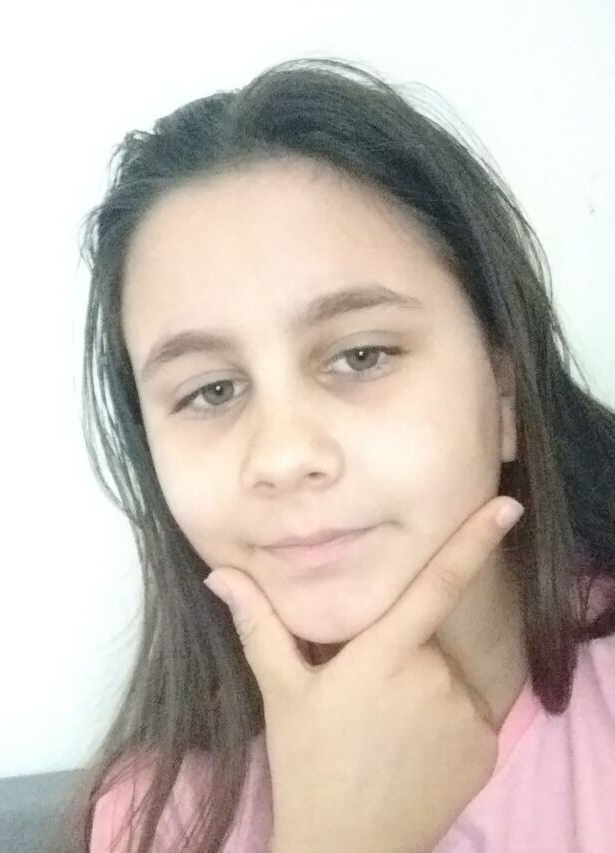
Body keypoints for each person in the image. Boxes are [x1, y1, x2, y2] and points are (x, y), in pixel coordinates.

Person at [57, 57, 615, 853]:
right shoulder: (153, 819)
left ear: (502, 391)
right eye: (211, 391)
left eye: (361, 355)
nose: (284, 455)